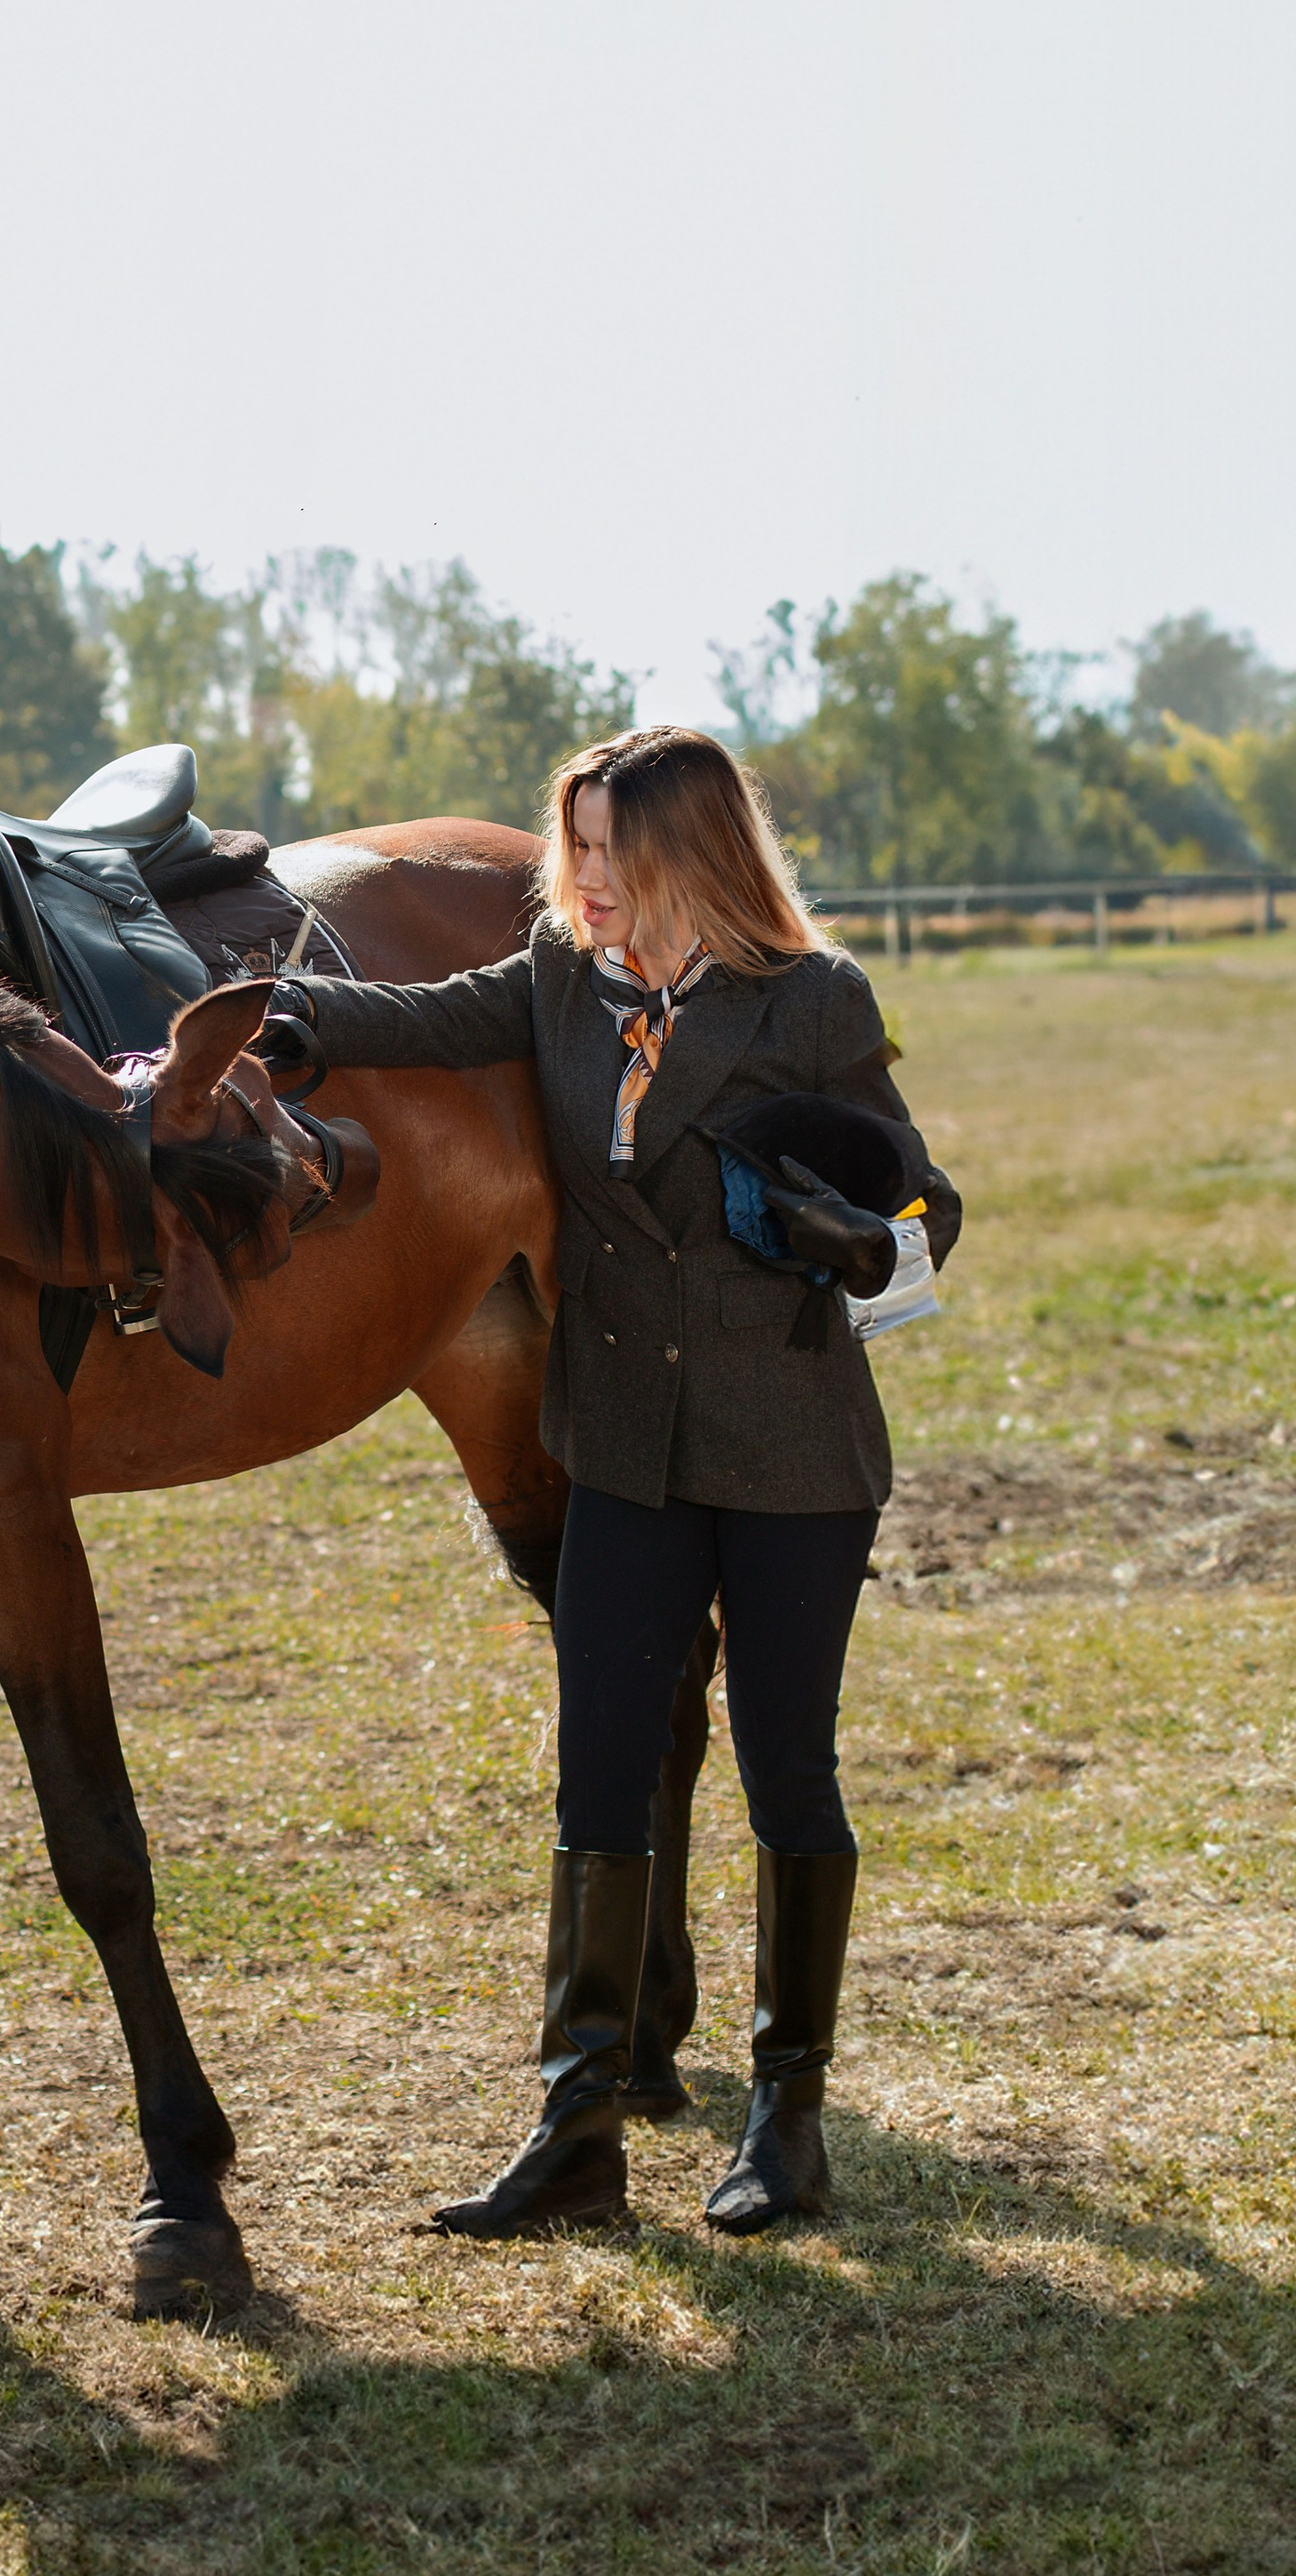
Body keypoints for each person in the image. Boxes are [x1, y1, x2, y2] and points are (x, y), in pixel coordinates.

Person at [254, 724, 958, 2241]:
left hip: (789, 1452)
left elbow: (923, 1212)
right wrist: (272, 1013)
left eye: (607, 855)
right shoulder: (564, 983)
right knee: (599, 1773)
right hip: (623, 1448)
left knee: (788, 1772)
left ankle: (787, 2117)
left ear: (691, 856)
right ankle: (579, 2126)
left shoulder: (815, 1000)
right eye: (568, 848)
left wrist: (862, 1243)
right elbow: (418, 1020)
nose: (578, 881)